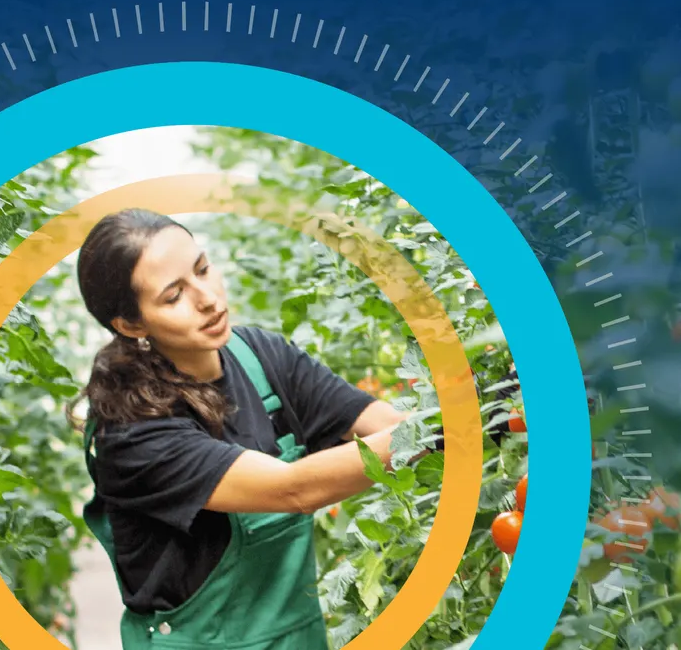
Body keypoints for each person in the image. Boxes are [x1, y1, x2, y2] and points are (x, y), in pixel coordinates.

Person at [70, 208, 432, 649]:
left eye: (203, 269)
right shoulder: (130, 433)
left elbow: (390, 427)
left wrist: (476, 411)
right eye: (173, 296)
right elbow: (293, 490)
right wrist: (439, 428)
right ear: (131, 324)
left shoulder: (261, 356)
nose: (207, 298)